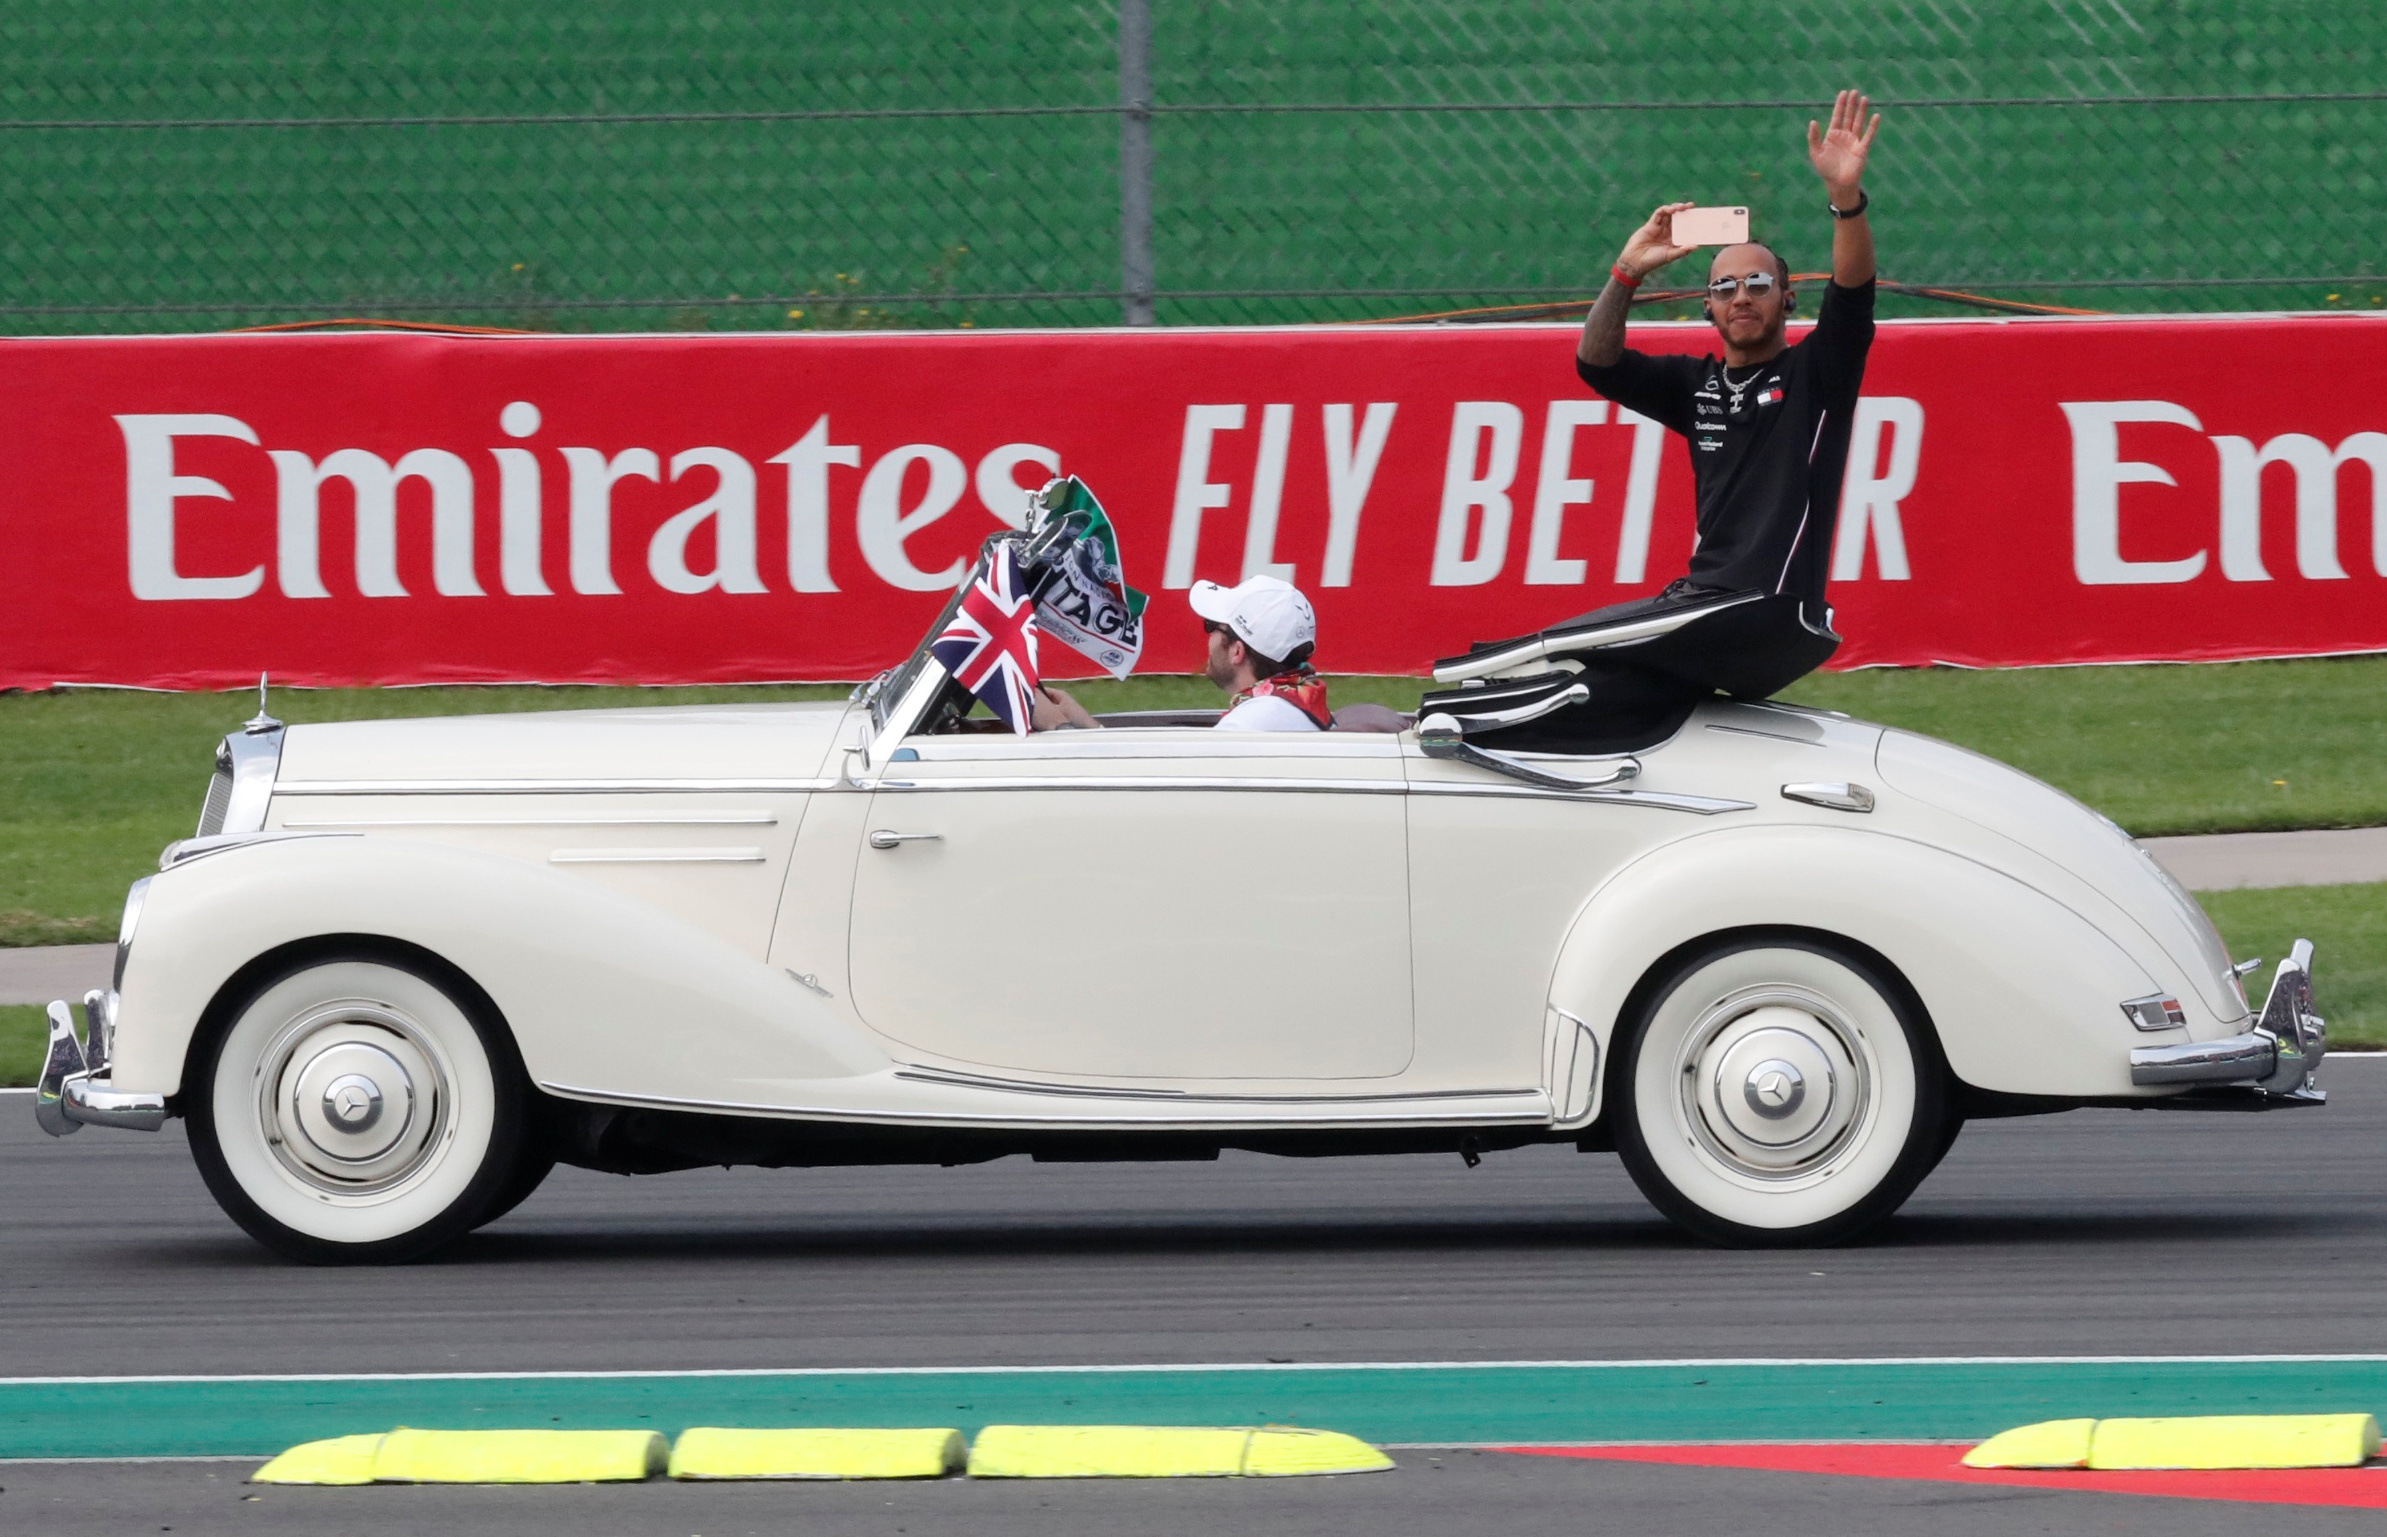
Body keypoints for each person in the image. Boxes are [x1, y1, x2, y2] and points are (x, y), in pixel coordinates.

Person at [1455, 87, 1877, 743]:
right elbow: (1596, 362)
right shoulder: (1693, 384)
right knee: (1601, 689)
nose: (1741, 295)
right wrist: (1626, 270)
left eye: (1759, 284)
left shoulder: (1815, 375)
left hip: (1760, 609)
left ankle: (1454, 721)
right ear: (1706, 308)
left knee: (1526, 653)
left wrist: (1844, 199)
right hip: (1705, 609)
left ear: (1788, 300)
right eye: (1724, 286)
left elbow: (1852, 293)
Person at [1033, 573, 1327, 731]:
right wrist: (1088, 726)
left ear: (1238, 651)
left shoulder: (1252, 725)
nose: (1209, 637)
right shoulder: (1290, 706)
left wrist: (1061, 729)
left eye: (1212, 626)